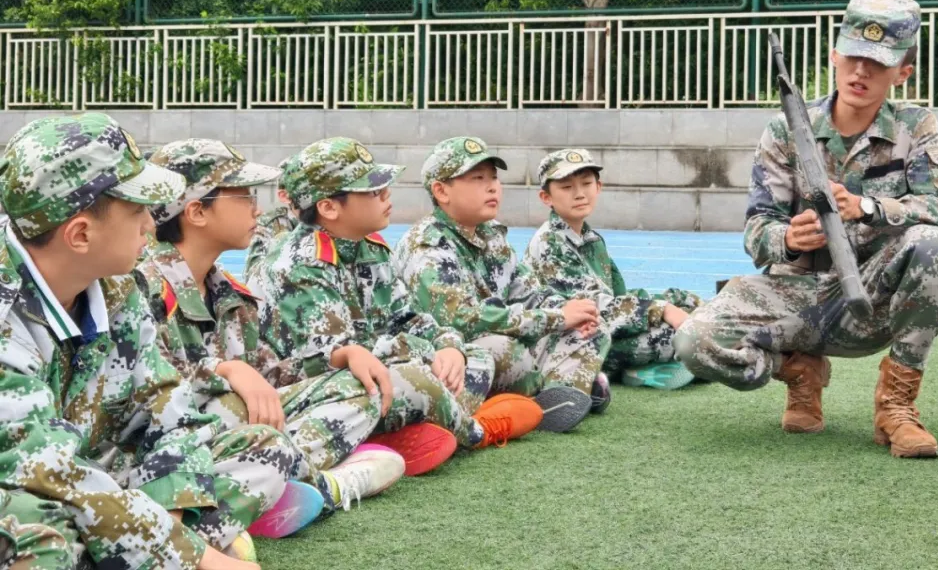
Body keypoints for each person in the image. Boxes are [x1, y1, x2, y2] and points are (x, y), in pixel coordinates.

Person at [0, 113, 303, 570]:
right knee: (36, 532)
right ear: (80, 234)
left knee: (264, 446)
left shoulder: (116, 288)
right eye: (137, 209)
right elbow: (46, 471)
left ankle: (136, 554)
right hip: (29, 490)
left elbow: (167, 406)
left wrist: (170, 521)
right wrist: (195, 557)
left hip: (94, 479)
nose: (150, 223)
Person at [674, 0, 938, 458]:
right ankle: (799, 369)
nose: (861, 72)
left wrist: (868, 207)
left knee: (932, 243)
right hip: (795, 294)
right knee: (693, 342)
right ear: (834, 56)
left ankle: (896, 406)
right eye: (853, 57)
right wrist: (787, 239)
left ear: (902, 73)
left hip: (871, 298)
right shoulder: (786, 129)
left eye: (878, 63)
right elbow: (756, 230)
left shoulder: (915, 127)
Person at [137, 140, 406, 535]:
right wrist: (223, 371)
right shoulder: (142, 289)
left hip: (239, 438)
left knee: (359, 385)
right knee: (234, 406)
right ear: (197, 212)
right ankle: (318, 483)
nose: (257, 210)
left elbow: (271, 375)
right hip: (172, 449)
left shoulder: (228, 293)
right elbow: (146, 395)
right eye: (244, 197)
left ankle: (270, 484)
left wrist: (340, 355)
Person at [251, 137, 542, 476]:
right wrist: (422, 352)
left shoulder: (368, 247)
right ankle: (474, 431)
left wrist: (448, 346)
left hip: (379, 368)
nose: (386, 194)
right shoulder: (299, 265)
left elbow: (408, 317)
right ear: (329, 208)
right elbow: (337, 358)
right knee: (411, 378)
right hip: (321, 390)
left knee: (475, 356)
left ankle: (406, 430)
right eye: (373, 191)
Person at [393, 136, 611, 433]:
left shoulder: (491, 234)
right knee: (502, 349)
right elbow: (462, 320)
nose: (492, 187)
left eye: (494, 178)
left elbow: (528, 291)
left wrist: (567, 311)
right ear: (441, 191)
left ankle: (554, 395)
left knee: (589, 325)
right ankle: (555, 388)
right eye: (478, 179)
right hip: (453, 350)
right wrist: (556, 318)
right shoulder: (428, 246)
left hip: (507, 337)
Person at [523, 149, 702, 391]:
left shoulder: (590, 239)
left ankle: (656, 366)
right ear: (546, 197)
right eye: (566, 187)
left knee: (689, 306)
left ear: (599, 187)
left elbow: (619, 297)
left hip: (603, 326)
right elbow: (592, 308)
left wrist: (673, 301)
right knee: (672, 335)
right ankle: (632, 371)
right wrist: (662, 310)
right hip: (570, 342)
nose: (579, 193)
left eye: (586, 184)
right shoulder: (549, 243)